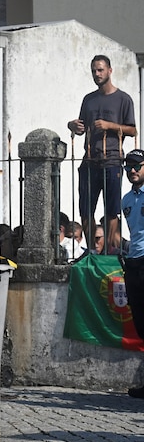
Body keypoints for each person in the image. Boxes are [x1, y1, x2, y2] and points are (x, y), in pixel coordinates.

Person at [68, 55, 136, 254]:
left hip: (113, 160)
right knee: (86, 210)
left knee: (111, 210)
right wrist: (73, 126)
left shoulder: (123, 99)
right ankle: (91, 250)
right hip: (90, 160)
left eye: (100, 70)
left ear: (110, 71)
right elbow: (82, 127)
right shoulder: (88, 99)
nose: (96, 74)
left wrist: (110, 126)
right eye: (93, 71)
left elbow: (132, 130)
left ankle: (111, 250)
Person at [121, 149, 144, 398]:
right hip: (134, 262)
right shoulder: (127, 200)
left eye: (137, 165)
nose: (132, 170)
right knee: (141, 323)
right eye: (128, 167)